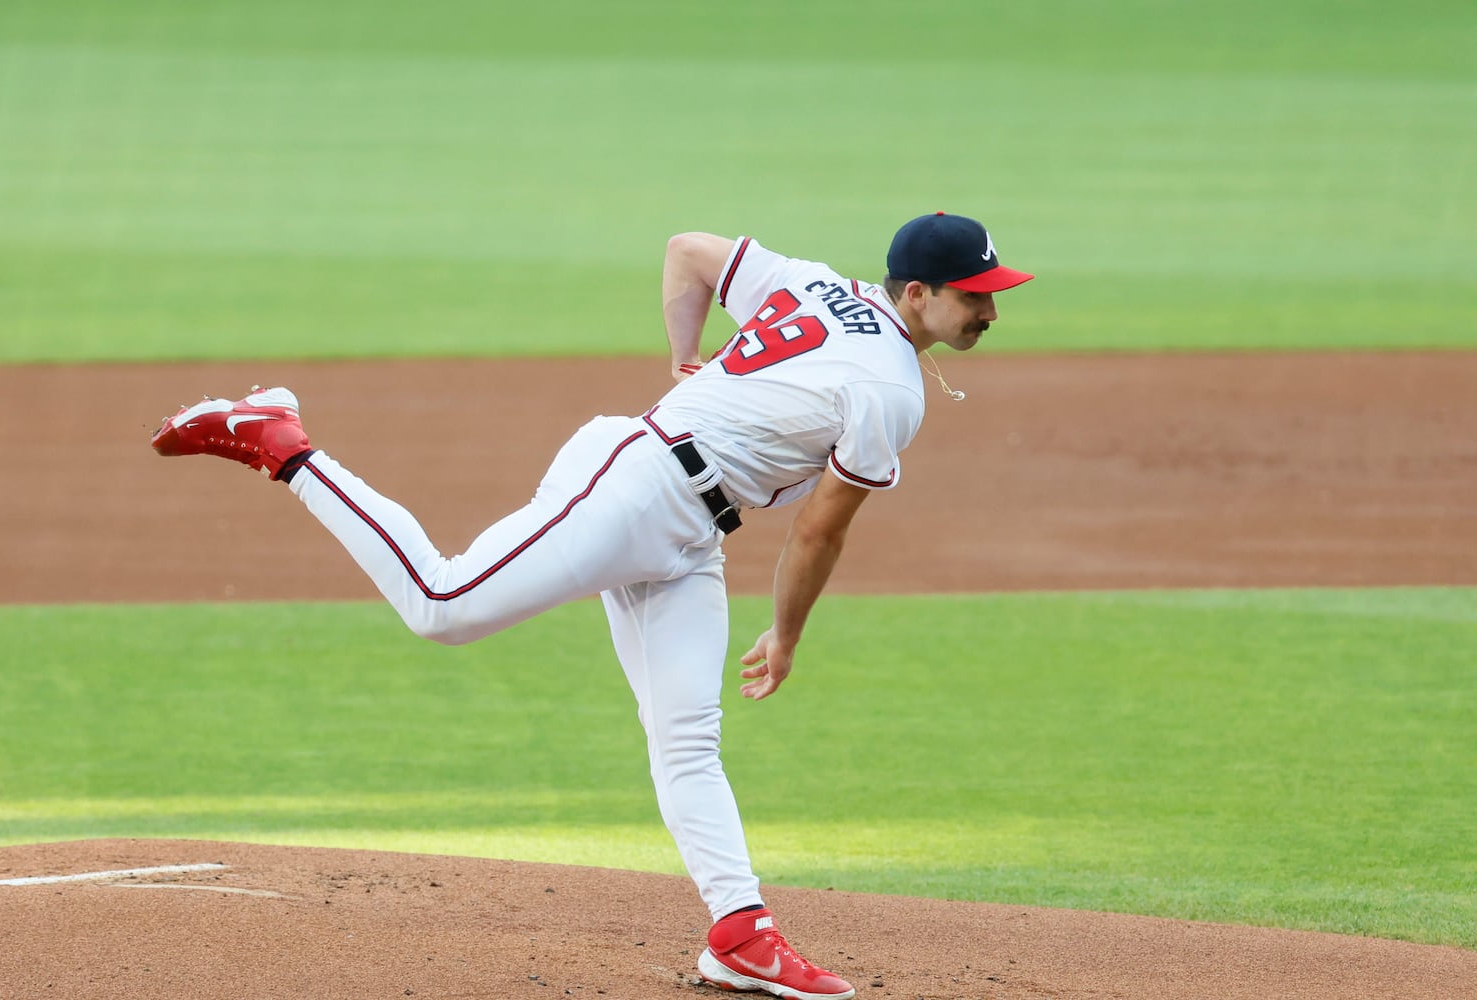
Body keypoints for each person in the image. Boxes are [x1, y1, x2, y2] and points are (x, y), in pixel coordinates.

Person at [150, 211, 1033, 1000]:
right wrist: (788, 633)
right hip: (638, 489)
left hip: (687, 530)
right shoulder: (889, 389)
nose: (990, 311)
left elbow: (688, 252)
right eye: (975, 297)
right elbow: (818, 533)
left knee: (688, 736)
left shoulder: (813, 283)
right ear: (916, 293)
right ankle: (280, 440)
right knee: (443, 603)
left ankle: (742, 936)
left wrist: (681, 359)